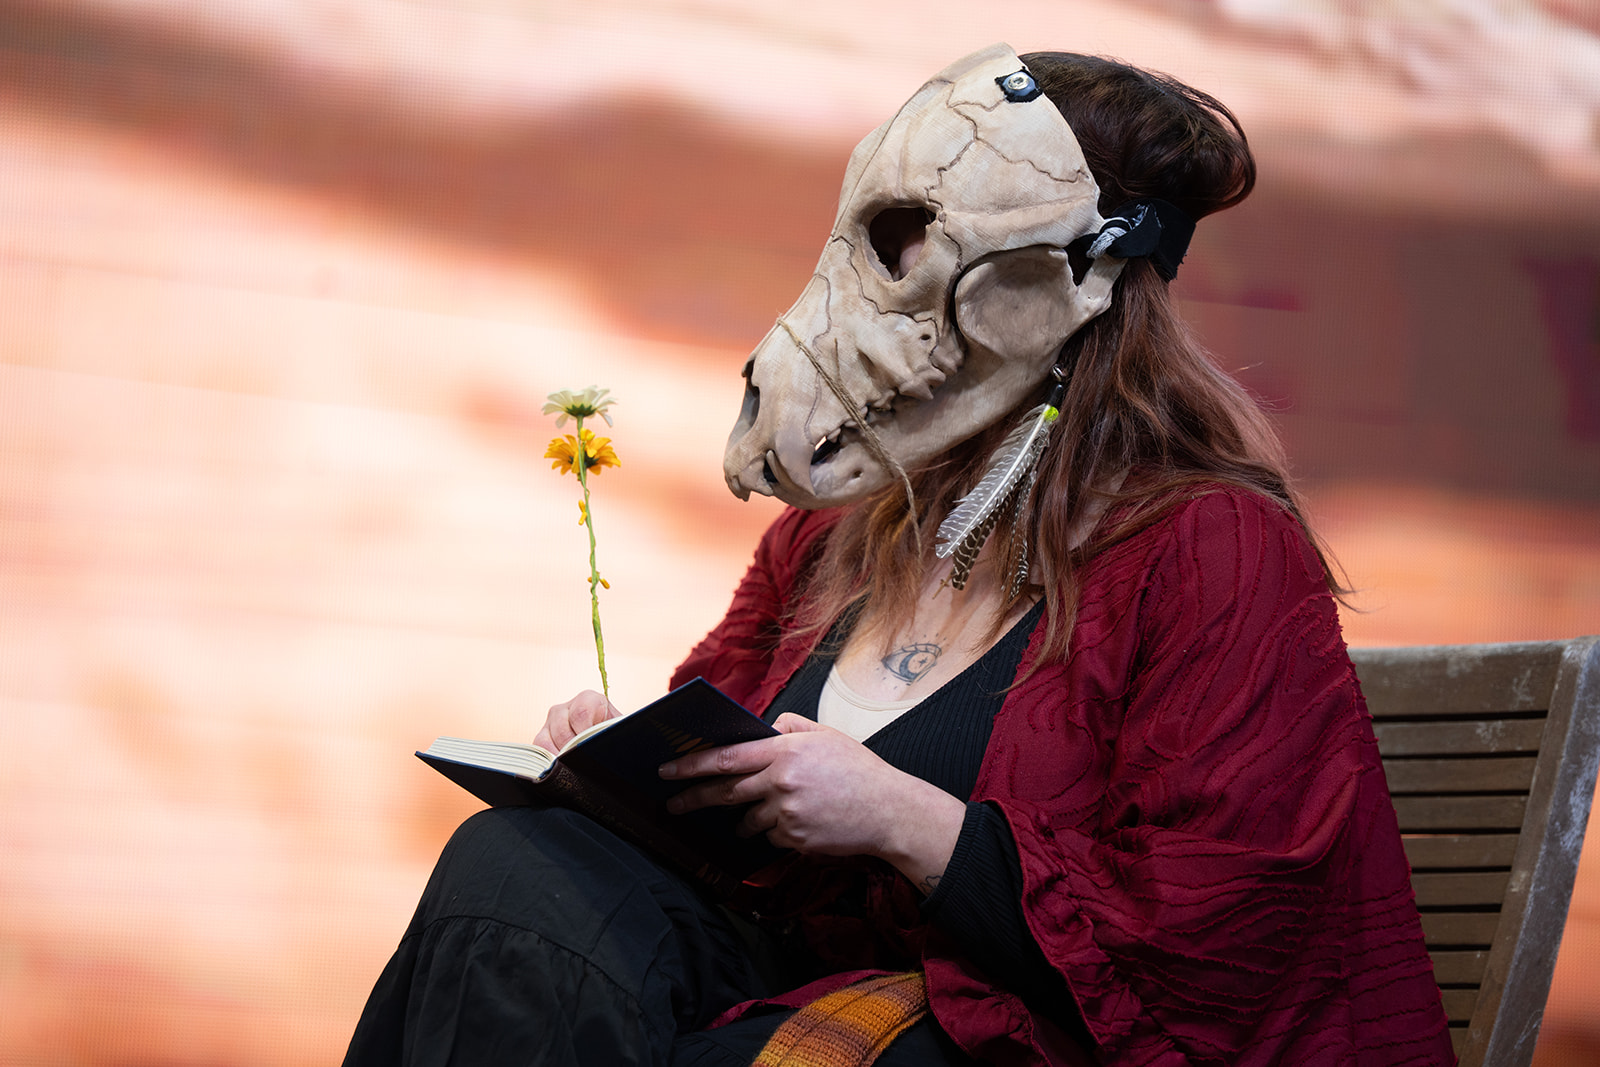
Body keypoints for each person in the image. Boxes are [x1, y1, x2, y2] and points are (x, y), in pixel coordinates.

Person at [345, 47, 1454, 1066]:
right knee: (511, 871)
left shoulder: (1212, 547)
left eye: (911, 237)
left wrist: (901, 818)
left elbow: (1226, 935)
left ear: (1063, 278)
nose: (879, 275)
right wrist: (617, 768)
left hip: (1004, 1031)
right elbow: (708, 798)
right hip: (779, 983)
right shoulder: (830, 533)